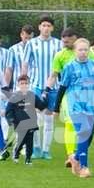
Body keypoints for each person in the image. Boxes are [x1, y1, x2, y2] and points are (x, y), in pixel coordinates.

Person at [55, 38, 94, 177]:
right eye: (80, 50)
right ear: (75, 51)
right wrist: (56, 108)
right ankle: (84, 168)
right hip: (75, 105)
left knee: (88, 137)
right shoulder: (69, 67)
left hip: (90, 105)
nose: (83, 52)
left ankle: (75, 157)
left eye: (86, 49)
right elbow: (62, 88)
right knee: (84, 132)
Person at [23, 17, 63, 160]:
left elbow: (62, 66)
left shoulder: (58, 44)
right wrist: (23, 83)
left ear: (52, 28)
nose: (46, 28)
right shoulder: (31, 43)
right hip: (36, 85)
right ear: (39, 27)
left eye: (49, 25)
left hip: (53, 87)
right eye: (44, 25)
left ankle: (46, 150)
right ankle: (36, 148)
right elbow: (25, 64)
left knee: (48, 118)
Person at [49, 28, 79, 167]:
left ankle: (79, 153)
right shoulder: (60, 55)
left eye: (67, 42)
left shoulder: (86, 52)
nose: (65, 44)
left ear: (74, 38)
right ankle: (71, 155)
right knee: (70, 123)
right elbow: (54, 75)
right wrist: (47, 89)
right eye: (63, 42)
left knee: (85, 127)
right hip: (68, 94)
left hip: (86, 94)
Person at [5, 75, 48, 165]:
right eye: (22, 83)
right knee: (21, 140)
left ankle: (28, 159)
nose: (24, 85)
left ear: (28, 84)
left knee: (30, 142)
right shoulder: (14, 97)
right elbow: (9, 110)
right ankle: (16, 153)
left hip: (31, 122)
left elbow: (41, 106)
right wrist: (11, 120)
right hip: (19, 123)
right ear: (18, 85)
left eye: (26, 83)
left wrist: (45, 97)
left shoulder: (32, 95)